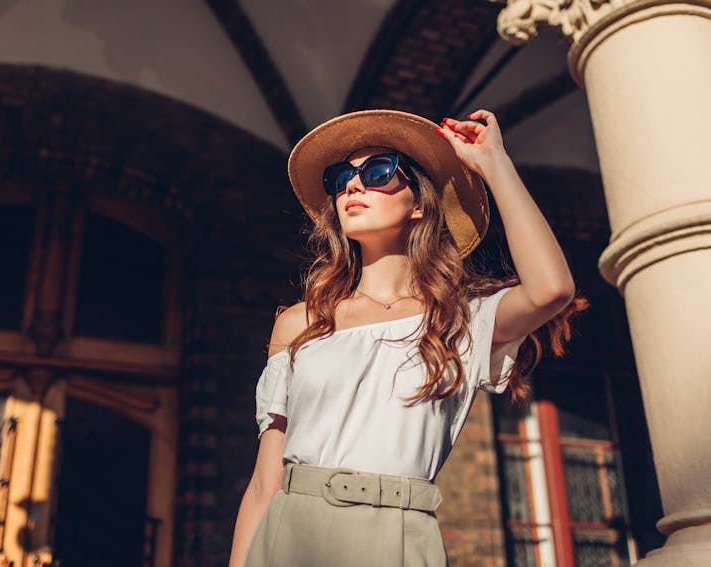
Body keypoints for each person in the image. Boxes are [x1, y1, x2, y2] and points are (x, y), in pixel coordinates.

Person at [228, 108, 585, 566]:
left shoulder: (459, 320)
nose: (352, 187)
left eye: (377, 172)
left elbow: (552, 288)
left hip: (401, 535)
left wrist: (494, 162)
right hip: (292, 531)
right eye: (341, 178)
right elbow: (264, 482)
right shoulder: (301, 322)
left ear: (418, 203)